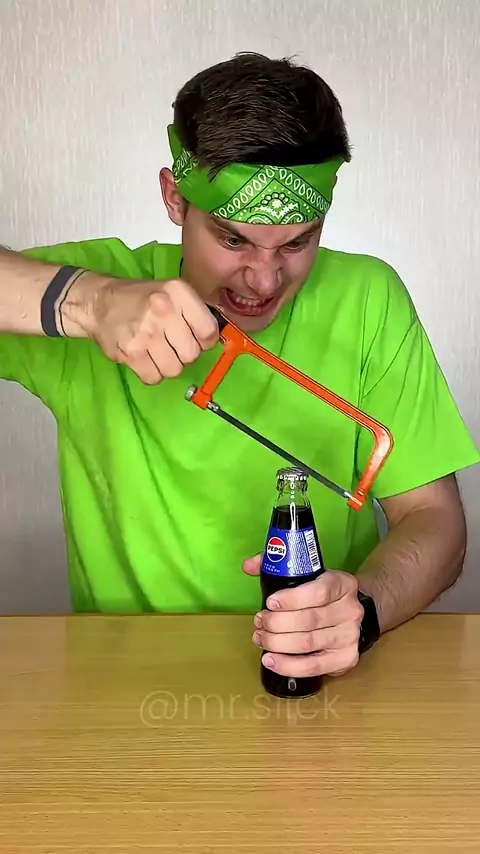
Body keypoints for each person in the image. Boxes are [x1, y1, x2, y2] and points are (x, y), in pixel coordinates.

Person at [0, 52, 478, 681]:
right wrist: (86, 301)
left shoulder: (368, 298)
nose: (264, 279)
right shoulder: (102, 281)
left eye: (297, 242)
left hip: (322, 684)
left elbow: (435, 522)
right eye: (233, 240)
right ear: (175, 198)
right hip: (124, 686)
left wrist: (361, 610)